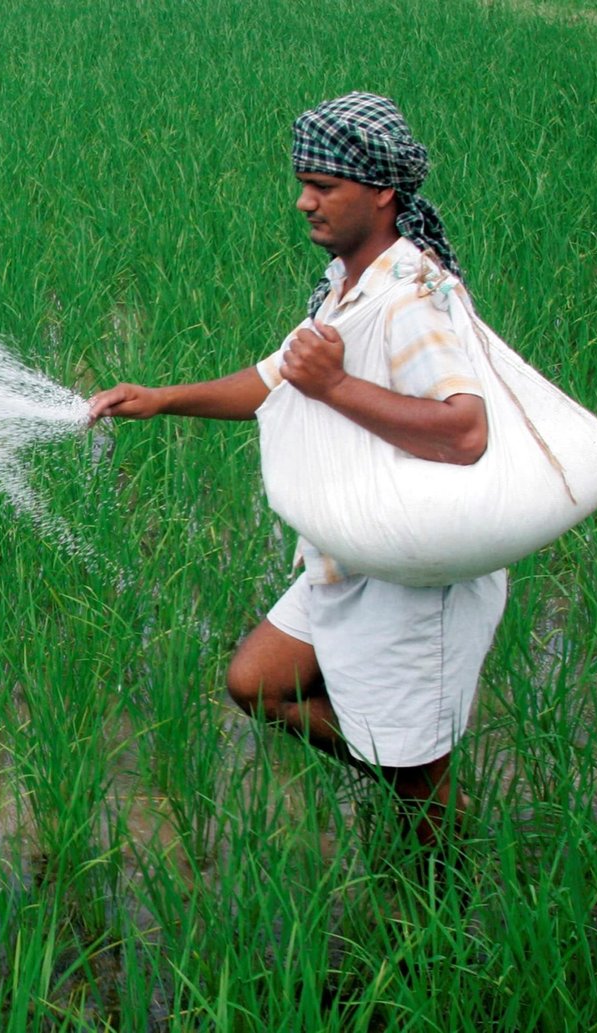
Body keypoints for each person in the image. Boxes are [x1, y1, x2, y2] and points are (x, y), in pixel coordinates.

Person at [88, 93, 506, 850]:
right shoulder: (349, 283)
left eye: (325, 186)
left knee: (417, 772)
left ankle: (445, 905)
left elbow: (467, 430)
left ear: (381, 191)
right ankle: (412, 786)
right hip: (354, 547)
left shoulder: (411, 296)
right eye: (303, 182)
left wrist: (337, 387)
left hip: (413, 567)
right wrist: (161, 399)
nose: (304, 201)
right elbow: (278, 376)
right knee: (257, 682)